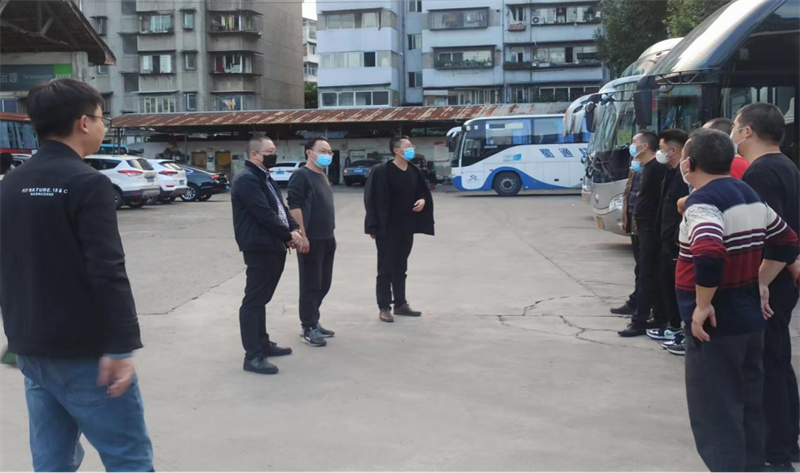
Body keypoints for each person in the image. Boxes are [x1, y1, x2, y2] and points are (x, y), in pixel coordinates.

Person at [0, 78, 154, 472]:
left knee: (52, 460)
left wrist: (17, 340)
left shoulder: (11, 183)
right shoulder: (88, 183)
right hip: (85, 352)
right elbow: (108, 268)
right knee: (128, 458)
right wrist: (121, 346)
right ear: (84, 122)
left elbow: (12, 263)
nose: (102, 126)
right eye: (102, 118)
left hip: (32, 348)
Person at [677, 128, 798, 473]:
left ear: (689, 164)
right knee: (748, 409)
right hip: (749, 323)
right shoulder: (748, 194)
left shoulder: (703, 202)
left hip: (716, 327)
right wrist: (760, 282)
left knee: (717, 416)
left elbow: (708, 251)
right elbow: (787, 242)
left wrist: (702, 305)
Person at [736, 103, 800, 471]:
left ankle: (776, 451)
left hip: (771, 281)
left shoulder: (760, 173)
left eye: (736, 127)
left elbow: (777, 238)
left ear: (747, 132)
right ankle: (787, 441)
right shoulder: (786, 165)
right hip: (782, 278)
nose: (732, 134)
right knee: (778, 359)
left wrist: (759, 283)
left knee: (768, 365)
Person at [231, 136, 303, 375]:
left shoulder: (264, 176)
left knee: (261, 299)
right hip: (259, 246)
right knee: (253, 301)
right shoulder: (247, 179)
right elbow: (264, 214)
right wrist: (288, 235)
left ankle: (262, 343)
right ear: (254, 155)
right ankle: (252, 356)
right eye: (269, 151)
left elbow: (280, 209)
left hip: (272, 244)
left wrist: (294, 228)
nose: (274, 154)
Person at [364, 136, 434, 323]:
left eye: (412, 145)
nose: (412, 148)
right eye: (408, 146)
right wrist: (372, 226)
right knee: (385, 268)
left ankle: (400, 304)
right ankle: (384, 307)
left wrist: (423, 200)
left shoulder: (413, 170)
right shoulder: (381, 171)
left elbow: (422, 191)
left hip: (407, 227)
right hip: (386, 228)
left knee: (401, 266)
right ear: (396, 151)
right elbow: (370, 199)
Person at [287, 137, 337, 347]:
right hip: (311, 239)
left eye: (329, 151)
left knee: (324, 283)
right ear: (309, 152)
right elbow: (294, 206)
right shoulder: (301, 175)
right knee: (311, 284)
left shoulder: (322, 176)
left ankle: (314, 320)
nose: (328, 155)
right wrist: (302, 235)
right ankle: (308, 326)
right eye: (323, 151)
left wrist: (332, 235)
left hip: (327, 237)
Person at [619, 131, 667, 337]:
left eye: (634, 143)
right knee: (643, 271)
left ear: (645, 146)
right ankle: (652, 313)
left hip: (650, 230)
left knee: (648, 273)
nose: (631, 147)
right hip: (640, 227)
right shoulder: (642, 167)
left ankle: (641, 320)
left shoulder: (657, 168)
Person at [646, 129, 689, 353]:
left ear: (673, 150)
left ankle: (678, 329)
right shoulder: (670, 173)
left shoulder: (685, 177)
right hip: (664, 239)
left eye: (662, 149)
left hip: (676, 242)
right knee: (666, 285)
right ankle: (671, 325)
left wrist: (675, 239)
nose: (659, 153)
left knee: (677, 288)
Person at [610, 157, 642, 316]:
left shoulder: (653, 169)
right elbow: (627, 195)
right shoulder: (635, 168)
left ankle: (643, 306)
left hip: (643, 225)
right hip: (633, 223)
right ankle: (636, 302)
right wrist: (625, 219)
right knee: (640, 267)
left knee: (645, 269)